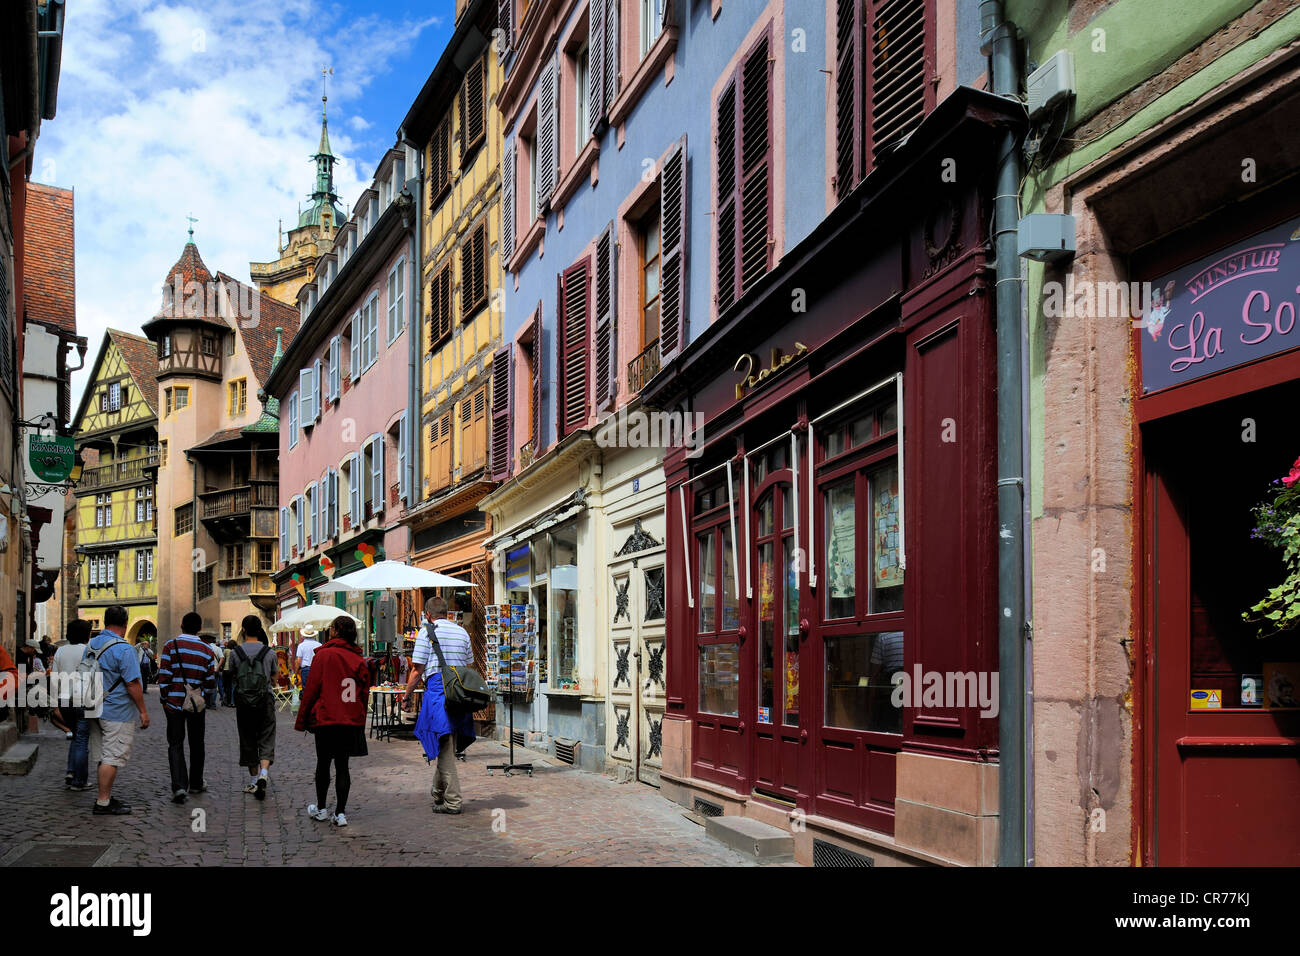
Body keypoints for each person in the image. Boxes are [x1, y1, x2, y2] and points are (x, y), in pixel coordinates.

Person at [295, 616, 371, 827]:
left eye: (330, 628)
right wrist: (360, 719)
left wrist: (302, 719)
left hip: (326, 719)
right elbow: (364, 694)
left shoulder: (324, 655)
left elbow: (311, 690)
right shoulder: (358, 660)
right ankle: (340, 813)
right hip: (348, 719)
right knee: (343, 766)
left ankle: (321, 808)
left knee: (323, 763)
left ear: (336, 630)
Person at [405, 596, 475, 815]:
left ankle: (453, 801)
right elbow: (468, 663)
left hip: (438, 692)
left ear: (428, 614)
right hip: (459, 691)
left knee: (444, 743)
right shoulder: (462, 632)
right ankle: (437, 792)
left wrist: (406, 695)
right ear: (447, 612)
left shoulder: (426, 632)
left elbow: (417, 669)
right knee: (447, 742)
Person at [86, 605, 150, 815]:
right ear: (125, 623)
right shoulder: (124, 648)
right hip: (116, 710)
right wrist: (143, 710)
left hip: (93, 706)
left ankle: (104, 796)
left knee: (104, 756)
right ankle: (103, 802)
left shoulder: (92, 644)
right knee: (112, 756)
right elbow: (132, 682)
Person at [158, 613, 218, 803]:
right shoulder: (207, 651)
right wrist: (204, 699)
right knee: (197, 743)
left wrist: (165, 698)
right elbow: (210, 681)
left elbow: (164, 675)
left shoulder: (170, 646)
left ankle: (179, 786)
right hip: (196, 704)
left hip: (174, 703)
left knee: (175, 744)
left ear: (182, 625)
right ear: (199, 628)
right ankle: (196, 782)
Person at [232, 615, 278, 800]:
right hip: (264, 699)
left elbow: (233, 677)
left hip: (244, 702)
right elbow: (274, 679)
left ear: (243, 630)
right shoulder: (270, 653)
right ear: (259, 630)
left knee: (248, 738)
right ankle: (264, 775)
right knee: (266, 737)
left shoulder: (236, 652)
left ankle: (253, 780)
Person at [51, 620, 93, 789]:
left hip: (64, 699)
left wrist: (54, 704)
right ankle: (79, 781)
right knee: (82, 739)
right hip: (83, 699)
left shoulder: (60, 651)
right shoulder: (88, 650)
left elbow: (54, 678)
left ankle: (71, 771)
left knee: (76, 736)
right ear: (86, 634)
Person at [219, 640, 237, 707]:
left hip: (226, 670)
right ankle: (232, 702)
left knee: (226, 686)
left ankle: (226, 701)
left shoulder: (226, 651)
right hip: (233, 670)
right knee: (232, 687)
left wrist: (222, 667)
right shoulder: (236, 651)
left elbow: (223, 660)